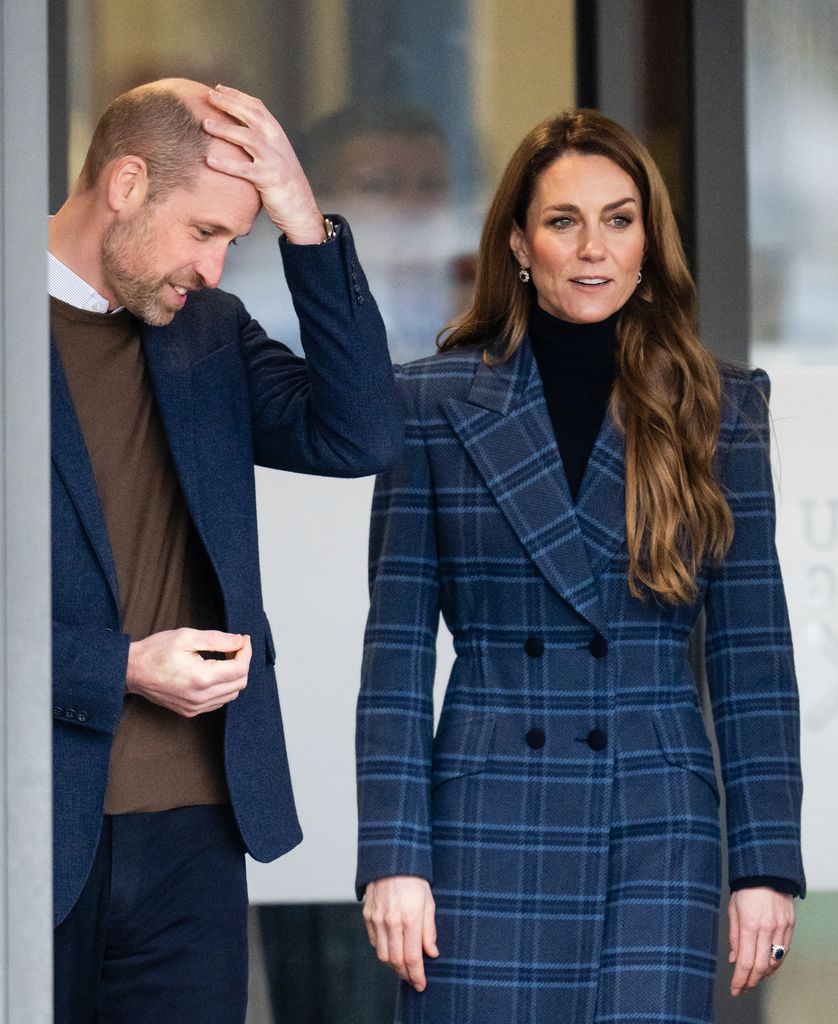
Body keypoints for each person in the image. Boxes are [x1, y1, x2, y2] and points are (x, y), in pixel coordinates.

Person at [355, 109, 804, 1024]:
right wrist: (394, 855)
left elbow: (753, 659)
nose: (592, 247)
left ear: (648, 241)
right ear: (520, 243)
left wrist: (764, 865)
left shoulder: (719, 408)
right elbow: (395, 656)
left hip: (656, 819)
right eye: (564, 221)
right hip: (483, 821)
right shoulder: (431, 403)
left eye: (619, 218)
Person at [49, 78, 402, 1024]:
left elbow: (362, 434)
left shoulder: (204, 333)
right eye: (206, 232)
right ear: (126, 183)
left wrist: (304, 228)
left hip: (196, 832)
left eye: (234, 244)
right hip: (27, 831)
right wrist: (115, 666)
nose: (213, 269)